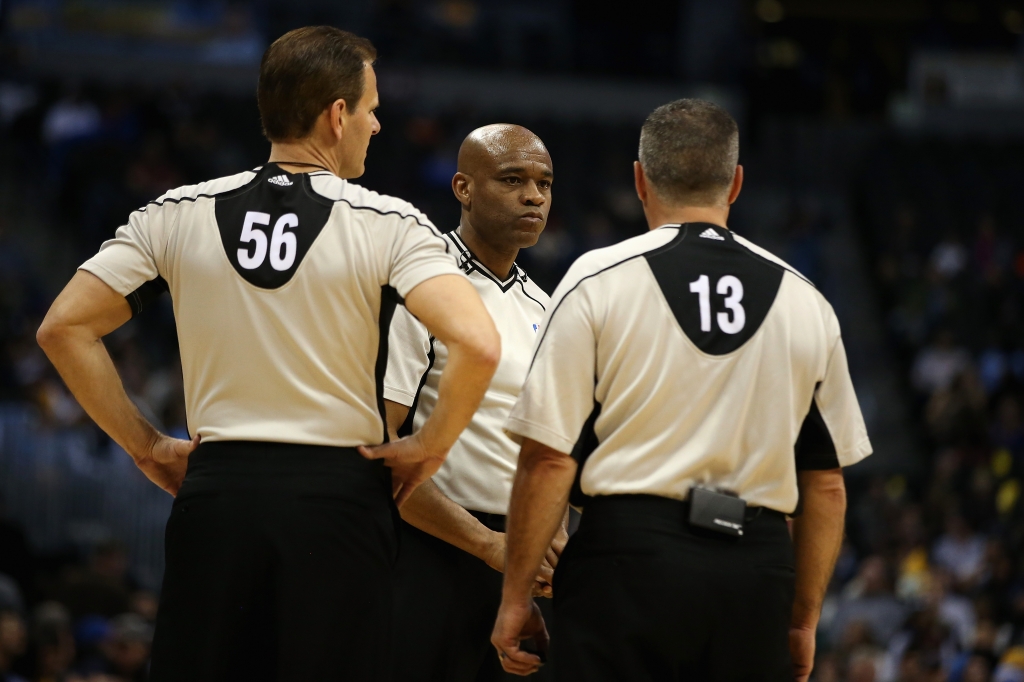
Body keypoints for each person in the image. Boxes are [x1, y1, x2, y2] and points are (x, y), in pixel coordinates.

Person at [35, 26, 500, 682]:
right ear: (337, 116)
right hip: (338, 503)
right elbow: (478, 343)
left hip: (216, 495)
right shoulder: (390, 223)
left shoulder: (176, 212)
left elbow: (62, 329)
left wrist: (145, 444)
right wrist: (430, 448)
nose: (376, 123)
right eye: (369, 109)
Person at [491, 99, 872, 681]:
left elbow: (547, 459)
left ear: (640, 179)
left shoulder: (597, 279)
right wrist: (800, 621)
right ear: (736, 183)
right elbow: (826, 486)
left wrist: (516, 596)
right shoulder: (806, 301)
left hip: (630, 559)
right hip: (755, 571)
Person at [385, 124, 564, 681]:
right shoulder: (420, 282)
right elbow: (381, 448)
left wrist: (550, 537)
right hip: (428, 548)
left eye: (544, 183)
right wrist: (486, 544)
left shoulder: (547, 304)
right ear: (463, 187)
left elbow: (553, 442)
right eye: (512, 180)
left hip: (518, 559)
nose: (533, 196)